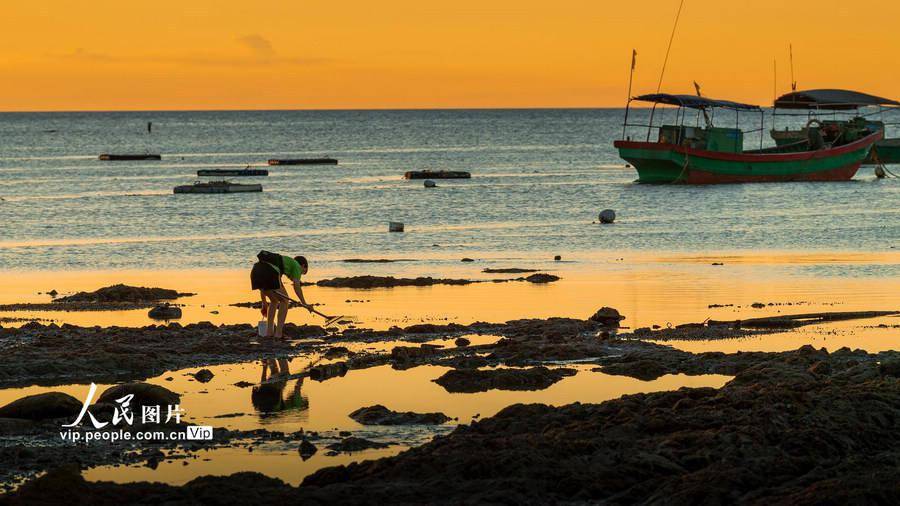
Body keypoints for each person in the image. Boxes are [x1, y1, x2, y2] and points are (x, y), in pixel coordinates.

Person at [250, 250, 311, 339]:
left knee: (274, 301)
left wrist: (264, 303)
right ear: (303, 266)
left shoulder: (280, 264)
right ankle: (278, 334)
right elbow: (297, 286)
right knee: (285, 301)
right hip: (269, 272)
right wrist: (304, 303)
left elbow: (263, 288)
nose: (298, 275)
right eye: (302, 273)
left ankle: (269, 333)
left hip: (255, 271)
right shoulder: (297, 266)